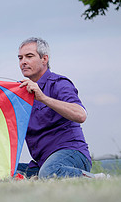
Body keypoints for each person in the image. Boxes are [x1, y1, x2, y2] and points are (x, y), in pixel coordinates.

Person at [15, 37, 107, 179]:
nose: (23, 62)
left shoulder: (59, 84)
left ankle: (98, 179)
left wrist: (43, 98)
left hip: (72, 153)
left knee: (49, 171)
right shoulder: (20, 92)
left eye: (29, 56)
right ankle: (44, 177)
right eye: (20, 58)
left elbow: (80, 115)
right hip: (42, 163)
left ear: (44, 59)